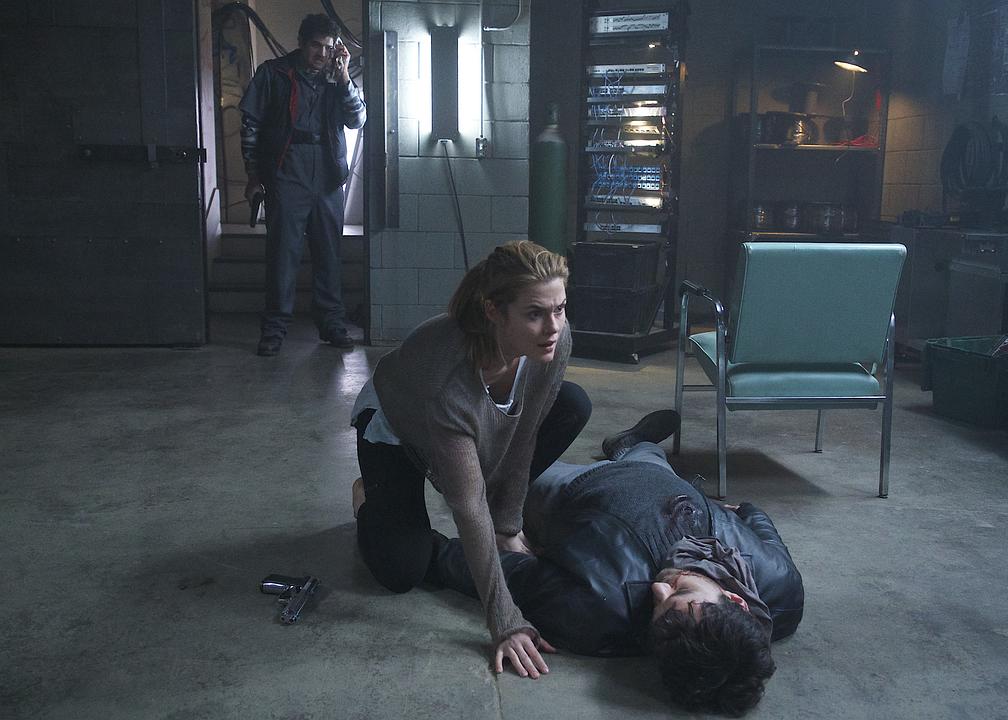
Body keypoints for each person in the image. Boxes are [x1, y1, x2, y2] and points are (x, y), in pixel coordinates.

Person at [428, 411, 804, 715]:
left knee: (495, 468)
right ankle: (631, 443)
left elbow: (501, 573)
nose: (659, 589)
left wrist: (423, 553)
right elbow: (763, 529)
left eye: (657, 608)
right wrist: (747, 510)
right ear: (736, 600)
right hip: (664, 481)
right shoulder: (780, 588)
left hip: (577, 489)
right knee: (648, 453)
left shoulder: (598, 609)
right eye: (680, 592)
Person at [351, 240, 591, 680]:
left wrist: (508, 526)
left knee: (573, 405)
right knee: (401, 570)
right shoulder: (446, 379)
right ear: (494, 312)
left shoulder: (555, 340)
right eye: (535, 314)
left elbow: (524, 435)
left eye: (559, 309)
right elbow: (467, 504)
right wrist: (505, 619)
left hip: (468, 425)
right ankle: (368, 495)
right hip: (397, 428)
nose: (553, 326)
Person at [239, 14, 366, 357]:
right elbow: (250, 124)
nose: (321, 54)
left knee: (329, 253)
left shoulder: (336, 77)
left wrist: (344, 78)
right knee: (283, 254)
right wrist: (253, 174)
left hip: (327, 174)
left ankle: (332, 323)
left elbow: (357, 119)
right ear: (301, 43)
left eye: (328, 47)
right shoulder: (274, 73)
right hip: (287, 170)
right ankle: (274, 328)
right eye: (315, 45)